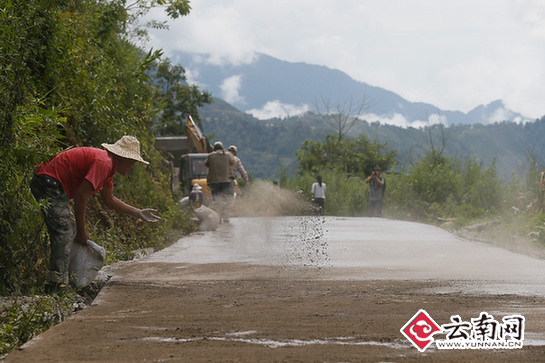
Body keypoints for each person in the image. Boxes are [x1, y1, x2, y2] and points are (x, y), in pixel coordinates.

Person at [30, 135, 161, 293]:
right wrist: (82, 231)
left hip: (52, 184)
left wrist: (137, 212)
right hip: (47, 183)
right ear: (122, 157)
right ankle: (56, 284)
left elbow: (109, 199)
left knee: (66, 228)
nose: (132, 166)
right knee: (65, 230)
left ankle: (62, 279)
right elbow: (81, 196)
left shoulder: (108, 167)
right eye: (132, 162)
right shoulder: (104, 163)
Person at [205, 141, 235, 223]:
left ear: (214, 148)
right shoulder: (227, 155)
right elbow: (233, 162)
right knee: (226, 199)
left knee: (216, 199)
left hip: (214, 182)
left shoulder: (211, 156)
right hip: (226, 181)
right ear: (222, 148)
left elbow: (206, 164)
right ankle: (225, 217)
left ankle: (218, 217)